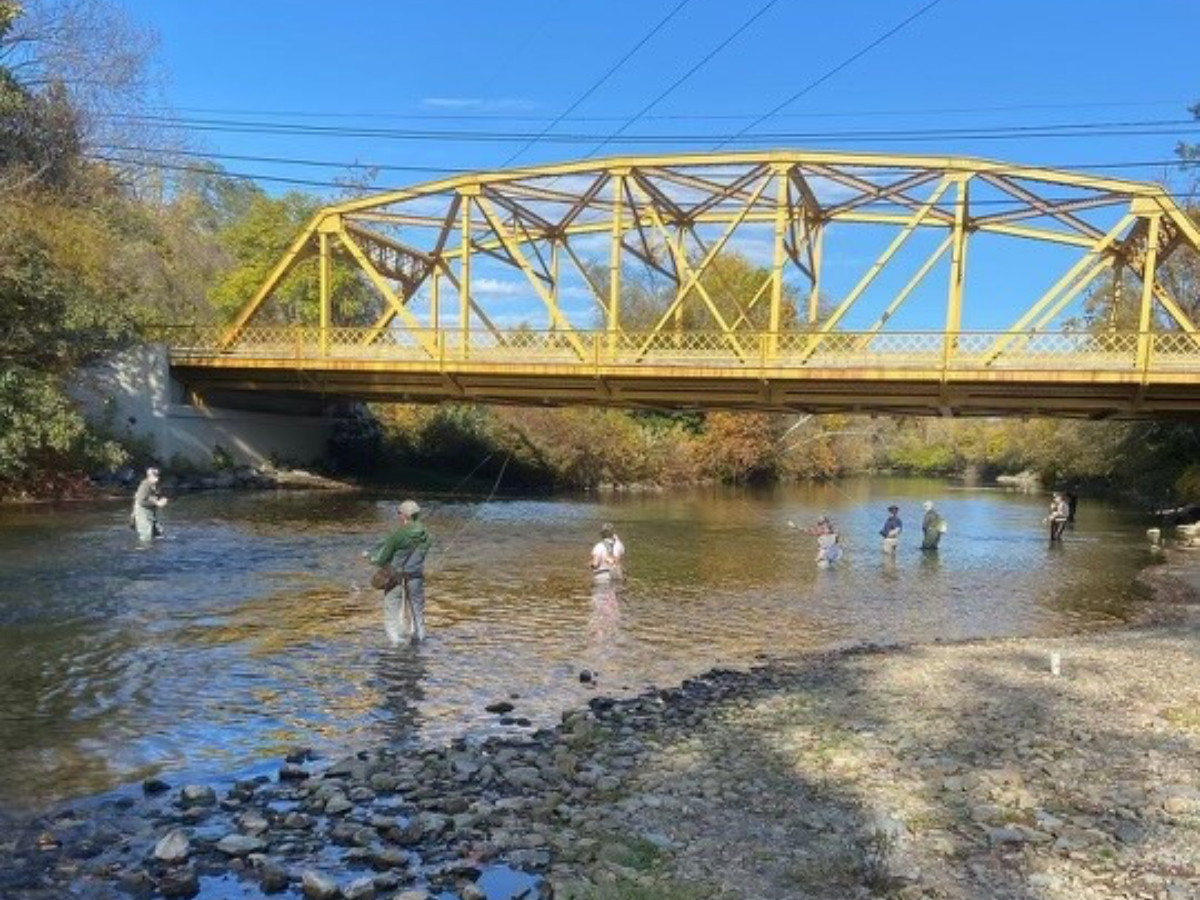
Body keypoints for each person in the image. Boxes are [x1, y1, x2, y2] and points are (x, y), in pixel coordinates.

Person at [369, 499, 431, 645]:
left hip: (395, 577)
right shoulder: (427, 535)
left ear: (404, 515)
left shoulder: (398, 535)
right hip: (416, 577)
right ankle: (419, 643)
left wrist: (370, 557)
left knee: (392, 610)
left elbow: (380, 559)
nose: (398, 516)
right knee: (417, 611)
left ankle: (396, 646)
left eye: (398, 513)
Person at [130, 467, 168, 542]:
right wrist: (157, 503)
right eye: (155, 475)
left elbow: (156, 495)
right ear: (149, 475)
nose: (157, 477)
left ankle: (154, 551)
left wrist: (162, 499)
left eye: (158, 475)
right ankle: (145, 552)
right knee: (146, 537)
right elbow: (141, 501)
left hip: (150, 514)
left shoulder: (155, 485)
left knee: (159, 534)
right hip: (142, 515)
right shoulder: (145, 485)